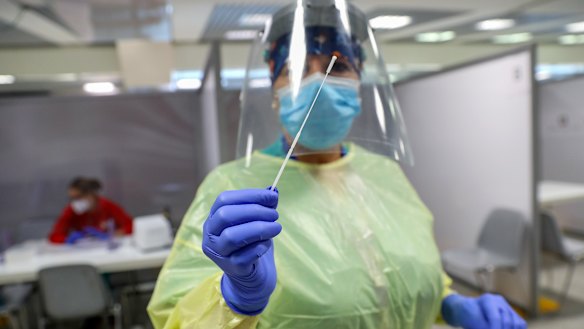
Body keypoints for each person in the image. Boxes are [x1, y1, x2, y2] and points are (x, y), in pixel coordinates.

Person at [148, 1, 528, 328]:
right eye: (296, 70)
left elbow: (412, 273)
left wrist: (450, 304)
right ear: (275, 93)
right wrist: (236, 299)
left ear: (361, 84)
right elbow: (175, 317)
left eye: (338, 66)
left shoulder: (385, 175)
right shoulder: (231, 187)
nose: (318, 82)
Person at [48, 177, 133, 244]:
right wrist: (66, 239)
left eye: (78, 197)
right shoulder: (71, 210)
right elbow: (54, 236)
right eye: (72, 198)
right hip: (84, 251)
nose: (75, 202)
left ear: (91, 195)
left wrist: (112, 234)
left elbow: (131, 226)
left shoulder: (107, 206)